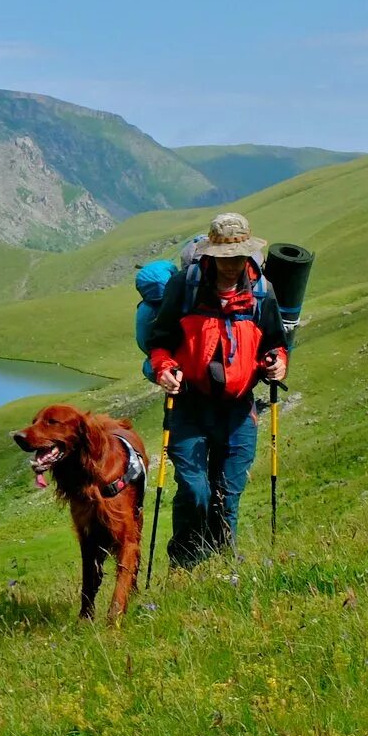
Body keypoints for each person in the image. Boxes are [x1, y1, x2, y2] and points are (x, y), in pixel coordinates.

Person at [146, 213, 287, 567]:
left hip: (239, 410)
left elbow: (275, 342)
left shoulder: (262, 291)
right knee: (195, 490)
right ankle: (185, 563)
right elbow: (159, 342)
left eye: (238, 256)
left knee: (228, 495)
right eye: (224, 257)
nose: (231, 265)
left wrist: (278, 362)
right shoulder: (185, 287)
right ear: (209, 254)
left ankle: (223, 565)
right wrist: (164, 368)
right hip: (190, 407)